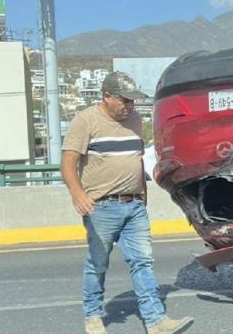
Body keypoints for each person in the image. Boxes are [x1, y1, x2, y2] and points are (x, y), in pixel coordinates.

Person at [61, 71, 193, 334]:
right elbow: (68, 162)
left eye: (132, 101)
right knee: (98, 263)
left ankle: (156, 321)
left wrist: (143, 194)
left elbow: (137, 158)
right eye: (124, 100)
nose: (129, 106)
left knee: (142, 262)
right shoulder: (86, 121)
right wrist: (78, 194)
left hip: (134, 205)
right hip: (101, 207)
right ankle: (93, 317)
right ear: (107, 96)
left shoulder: (134, 119)